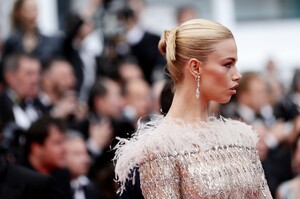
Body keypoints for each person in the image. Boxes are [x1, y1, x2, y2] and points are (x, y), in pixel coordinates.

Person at [113, 19, 272, 198]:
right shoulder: (157, 150)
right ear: (195, 67)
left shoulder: (242, 138)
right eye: (227, 64)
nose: (237, 75)